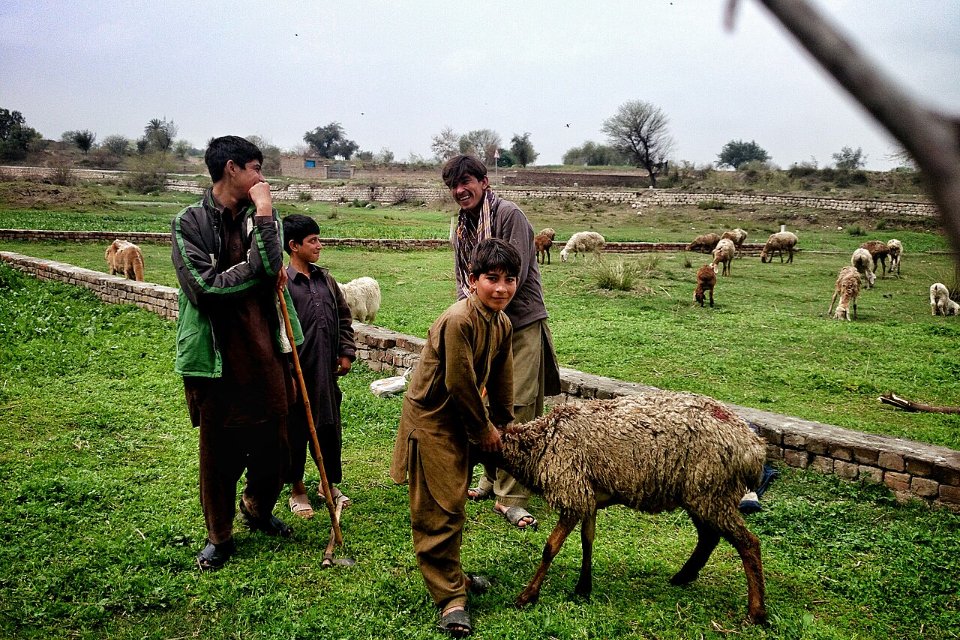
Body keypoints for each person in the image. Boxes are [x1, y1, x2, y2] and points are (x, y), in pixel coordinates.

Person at [172, 135, 302, 571]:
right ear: (232, 168)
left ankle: (258, 506)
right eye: (256, 169)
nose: (262, 178)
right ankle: (219, 536)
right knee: (219, 452)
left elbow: (268, 268)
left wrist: (264, 216)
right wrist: (260, 271)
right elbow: (204, 289)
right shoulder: (188, 222)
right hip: (216, 357)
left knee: (277, 445)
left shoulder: (262, 215)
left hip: (266, 348)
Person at [390, 238, 520, 638]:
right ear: (472, 280)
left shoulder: (501, 321)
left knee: (455, 504)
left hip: (461, 419)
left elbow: (501, 380)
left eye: (509, 280)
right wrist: (484, 431)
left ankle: (453, 576)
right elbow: (460, 382)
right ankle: (450, 600)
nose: (501, 288)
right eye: (491, 279)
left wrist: (506, 425)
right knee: (439, 509)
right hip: (432, 421)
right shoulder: (458, 320)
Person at [443, 154, 561, 531]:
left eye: (467, 182)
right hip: (484, 323)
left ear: (484, 181)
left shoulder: (510, 216)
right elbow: (465, 276)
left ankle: (512, 496)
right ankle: (490, 479)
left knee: (519, 405)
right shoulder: (462, 226)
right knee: (487, 400)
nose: (461, 191)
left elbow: (515, 275)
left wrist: (483, 309)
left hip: (520, 322)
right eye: (453, 186)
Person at [282, 213, 356, 519]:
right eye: (313, 241)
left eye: (318, 239)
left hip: (326, 374)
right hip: (296, 375)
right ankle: (297, 489)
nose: (319, 246)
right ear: (294, 245)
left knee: (328, 428)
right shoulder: (283, 284)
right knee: (295, 431)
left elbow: (344, 317)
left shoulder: (326, 280)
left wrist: (346, 352)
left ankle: (328, 483)